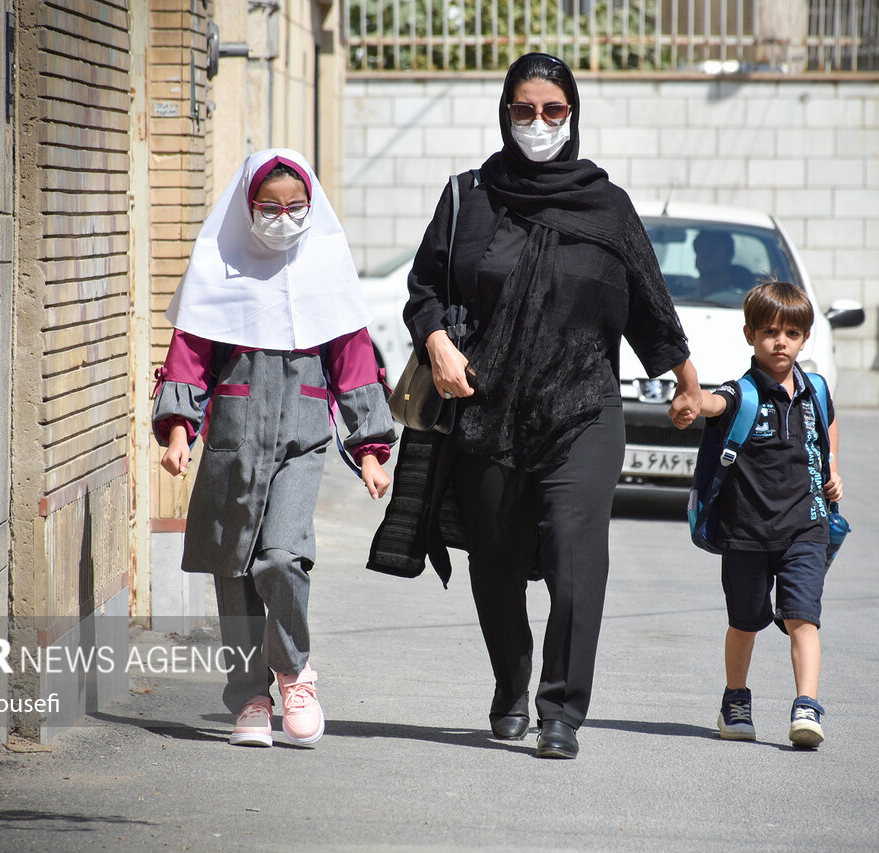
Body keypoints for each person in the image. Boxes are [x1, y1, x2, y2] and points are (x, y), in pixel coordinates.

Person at [393, 52, 700, 759]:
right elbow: (423, 289)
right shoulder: (470, 197)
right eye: (524, 110)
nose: (538, 122)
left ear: (573, 115)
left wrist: (689, 382)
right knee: (496, 560)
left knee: (574, 554)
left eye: (552, 111)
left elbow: (653, 306)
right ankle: (512, 682)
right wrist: (437, 341)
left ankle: (561, 709)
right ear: (506, 113)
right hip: (488, 408)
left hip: (583, 409)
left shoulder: (606, 205)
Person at [152, 148, 395, 749]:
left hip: (302, 440)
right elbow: (190, 355)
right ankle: (250, 700)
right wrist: (180, 429)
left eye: (296, 206)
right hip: (232, 440)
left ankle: (293, 672)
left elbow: (353, 360)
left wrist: (370, 448)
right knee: (232, 567)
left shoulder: (324, 269)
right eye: (269, 206)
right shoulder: (219, 268)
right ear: (247, 206)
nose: (283, 217)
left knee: (281, 556)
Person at [692, 280, 843, 748]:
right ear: (749, 336)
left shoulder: (814, 389)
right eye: (771, 332)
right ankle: (735, 700)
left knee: (804, 619)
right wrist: (693, 401)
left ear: (805, 338)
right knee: (745, 622)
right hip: (746, 533)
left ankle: (806, 707)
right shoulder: (741, 393)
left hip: (807, 528)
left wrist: (833, 468)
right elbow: (715, 404)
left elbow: (829, 424)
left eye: (793, 333)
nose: (782, 342)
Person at [692, 229, 754, 298]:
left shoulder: (740, 302)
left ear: (728, 256)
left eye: (712, 249)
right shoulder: (682, 301)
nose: (705, 254)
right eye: (701, 248)